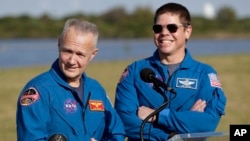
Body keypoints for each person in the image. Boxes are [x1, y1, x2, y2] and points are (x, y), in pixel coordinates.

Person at [114, 2, 227, 141]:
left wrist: (157, 116)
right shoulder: (135, 71)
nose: (164, 33)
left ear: (187, 31)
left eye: (172, 28)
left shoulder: (204, 74)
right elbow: (124, 120)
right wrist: (172, 136)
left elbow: (207, 123)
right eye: (158, 28)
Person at [16, 18, 125, 141]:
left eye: (80, 54)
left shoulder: (97, 90)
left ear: (93, 54)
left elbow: (117, 133)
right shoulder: (39, 91)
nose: (72, 61)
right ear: (59, 44)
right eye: (67, 51)